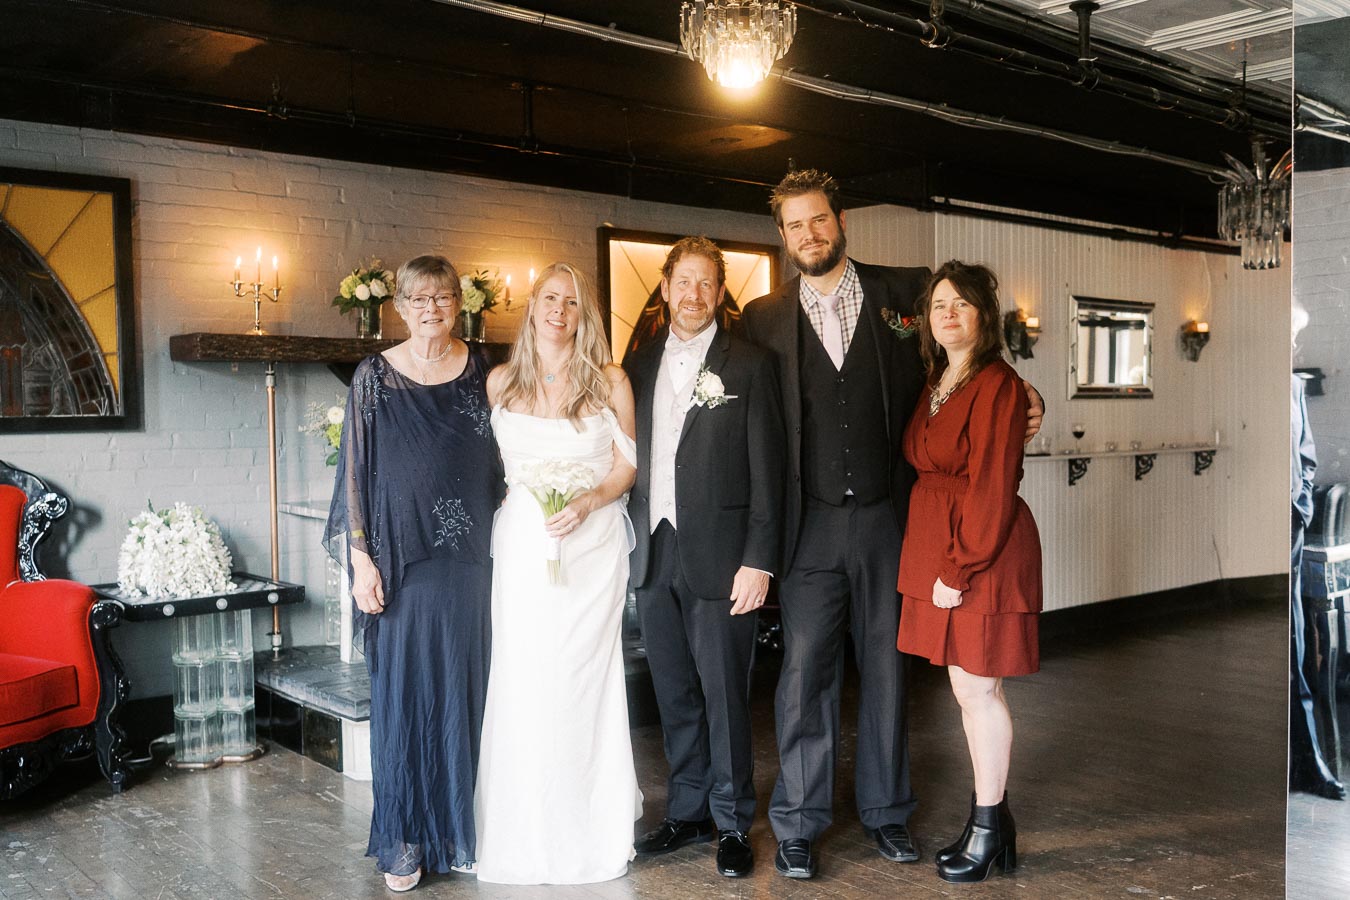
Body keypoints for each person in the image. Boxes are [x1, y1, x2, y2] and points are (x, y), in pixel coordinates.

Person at [739, 169, 1043, 880]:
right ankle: (799, 824)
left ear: (841, 221)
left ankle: (886, 813)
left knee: (885, 669)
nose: (809, 233)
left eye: (819, 219)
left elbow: (972, 359)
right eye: (794, 225)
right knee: (804, 674)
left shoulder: (905, 293)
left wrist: (1029, 397)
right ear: (781, 236)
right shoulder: (760, 317)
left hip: (892, 521)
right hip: (809, 525)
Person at [323, 255, 499, 892]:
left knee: (465, 696)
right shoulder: (374, 377)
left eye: (443, 297)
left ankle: (456, 832)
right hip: (401, 563)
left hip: (471, 563)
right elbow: (354, 475)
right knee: (403, 701)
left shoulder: (486, 371)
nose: (432, 309)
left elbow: (513, 454)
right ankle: (404, 840)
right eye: (419, 299)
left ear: (459, 304)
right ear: (399, 307)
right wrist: (360, 558)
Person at [474, 262, 643, 884]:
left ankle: (589, 826)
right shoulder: (499, 383)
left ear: (583, 314)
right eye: (550, 298)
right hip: (523, 549)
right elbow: (485, 469)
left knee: (581, 680)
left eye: (571, 302)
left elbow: (627, 468)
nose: (559, 311)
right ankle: (522, 828)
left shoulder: (610, 381)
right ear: (533, 305)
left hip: (591, 551)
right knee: (523, 679)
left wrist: (589, 501)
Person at [624, 237, 786, 878]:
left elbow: (769, 470)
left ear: (720, 293)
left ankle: (732, 820)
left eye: (706, 284)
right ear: (665, 289)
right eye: (683, 282)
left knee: (724, 695)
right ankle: (687, 810)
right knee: (673, 692)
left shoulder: (750, 364)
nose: (693, 295)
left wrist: (759, 560)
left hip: (724, 558)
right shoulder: (636, 365)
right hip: (652, 550)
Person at [896, 261, 1042, 883]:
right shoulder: (939, 378)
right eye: (938, 305)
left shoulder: (998, 384)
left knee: (978, 690)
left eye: (961, 303)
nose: (948, 314)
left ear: (985, 315)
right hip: (943, 545)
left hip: (982, 551)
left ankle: (988, 827)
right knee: (969, 690)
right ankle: (993, 824)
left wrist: (958, 568)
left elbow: (992, 487)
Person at [1289, 302, 1344, 800]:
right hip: (1260, 528)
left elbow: (1306, 454)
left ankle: (1309, 765)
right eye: (1290, 335)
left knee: (1299, 649)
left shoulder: (1294, 386)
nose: (1294, 346)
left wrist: (1301, 505)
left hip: (1291, 527)